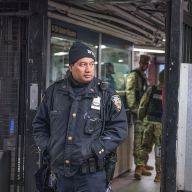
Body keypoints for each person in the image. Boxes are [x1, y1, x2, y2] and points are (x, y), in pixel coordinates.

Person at [32, 41, 128, 192]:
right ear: (70, 67)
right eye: (82, 64)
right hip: (60, 175)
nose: (88, 69)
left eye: (91, 64)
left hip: (91, 176)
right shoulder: (54, 93)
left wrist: (96, 149)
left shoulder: (106, 94)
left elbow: (119, 129)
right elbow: (39, 125)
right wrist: (48, 146)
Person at [125, 54, 153, 179]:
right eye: (145, 64)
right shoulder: (134, 75)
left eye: (147, 64)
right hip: (138, 112)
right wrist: (134, 109)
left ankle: (141, 165)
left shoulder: (142, 75)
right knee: (138, 139)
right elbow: (130, 92)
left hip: (143, 111)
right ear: (141, 63)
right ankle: (138, 168)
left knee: (144, 138)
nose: (146, 66)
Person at [136, 69, 164, 182]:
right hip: (160, 125)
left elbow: (142, 105)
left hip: (148, 122)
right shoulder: (169, 91)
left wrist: (142, 118)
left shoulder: (152, 89)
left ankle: (139, 168)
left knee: (144, 146)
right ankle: (159, 175)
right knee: (159, 149)